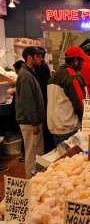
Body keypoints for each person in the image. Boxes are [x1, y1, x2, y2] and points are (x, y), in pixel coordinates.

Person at [15, 46, 46, 178]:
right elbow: (27, 102)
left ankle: (37, 180)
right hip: (30, 123)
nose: (41, 59)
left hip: (32, 122)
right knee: (32, 153)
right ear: (29, 58)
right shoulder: (26, 76)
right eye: (38, 56)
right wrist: (34, 123)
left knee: (36, 152)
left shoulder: (29, 73)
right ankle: (32, 183)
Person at [47, 46, 86, 146]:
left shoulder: (55, 75)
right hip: (68, 127)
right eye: (82, 61)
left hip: (54, 126)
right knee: (71, 159)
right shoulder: (72, 76)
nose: (83, 64)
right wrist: (87, 123)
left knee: (62, 159)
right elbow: (80, 103)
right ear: (76, 60)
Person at [35, 47, 55, 153]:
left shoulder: (42, 67)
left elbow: (43, 85)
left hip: (44, 100)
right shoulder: (43, 67)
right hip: (44, 100)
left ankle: (47, 151)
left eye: (39, 56)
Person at [12, 60, 25, 162]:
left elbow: (26, 101)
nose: (16, 73)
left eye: (16, 70)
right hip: (24, 118)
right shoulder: (25, 76)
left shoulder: (24, 76)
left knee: (26, 140)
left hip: (24, 118)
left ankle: (23, 155)